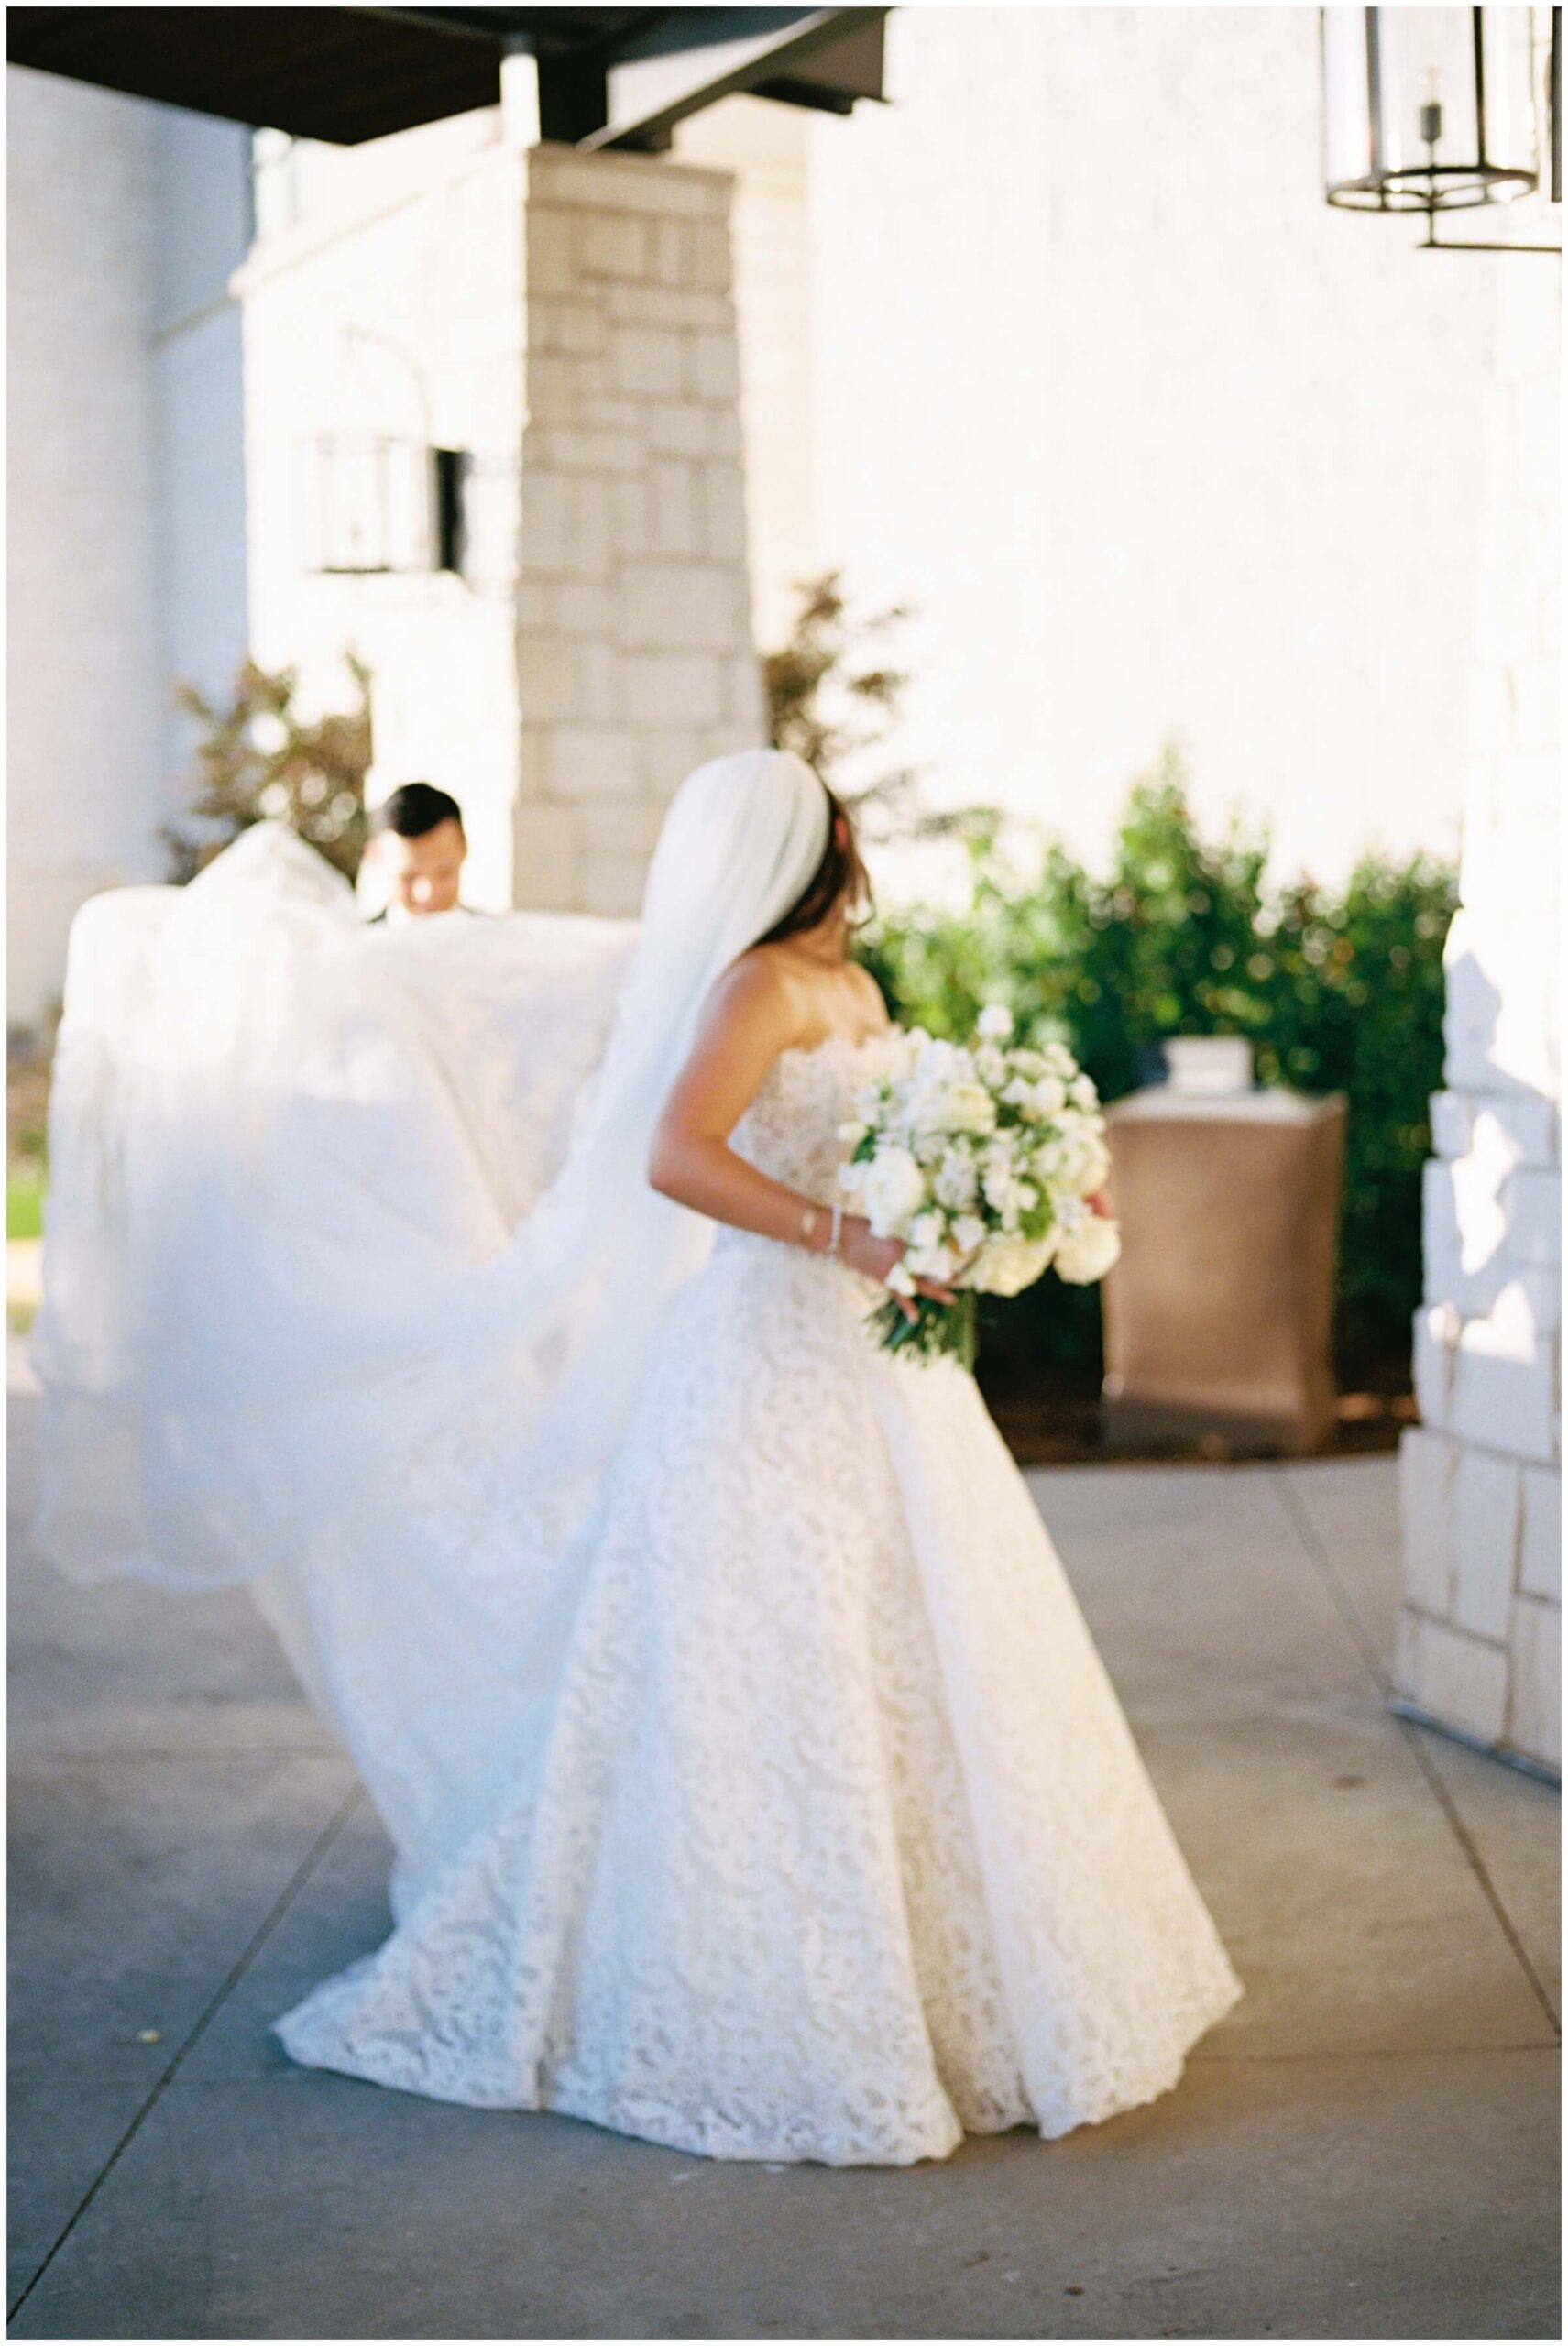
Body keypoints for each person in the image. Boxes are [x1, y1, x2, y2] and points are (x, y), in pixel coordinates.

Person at [265, 748, 1245, 2165]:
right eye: (833, 826)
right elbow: (678, 1152)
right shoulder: (754, 988)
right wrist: (844, 1236)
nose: (853, 842)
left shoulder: (850, 987)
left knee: (927, 1647)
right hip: (761, 1353)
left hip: (873, 1359)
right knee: (770, 1662)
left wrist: (972, 1209)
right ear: (805, 848)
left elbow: (882, 1151)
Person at [365, 782, 471, 921]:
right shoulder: (353, 942)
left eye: (445, 872)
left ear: (464, 848)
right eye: (408, 877)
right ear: (374, 855)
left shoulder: (497, 939)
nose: (428, 894)